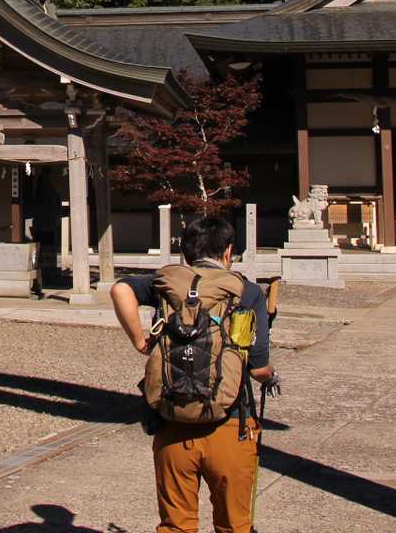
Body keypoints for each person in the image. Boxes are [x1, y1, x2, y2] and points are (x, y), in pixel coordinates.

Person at [111, 215, 275, 533]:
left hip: (172, 422)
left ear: (185, 254)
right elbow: (258, 369)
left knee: (177, 525)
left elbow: (120, 290)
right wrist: (271, 376)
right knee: (234, 525)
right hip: (230, 423)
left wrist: (140, 341)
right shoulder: (247, 291)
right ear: (228, 252)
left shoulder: (165, 283)